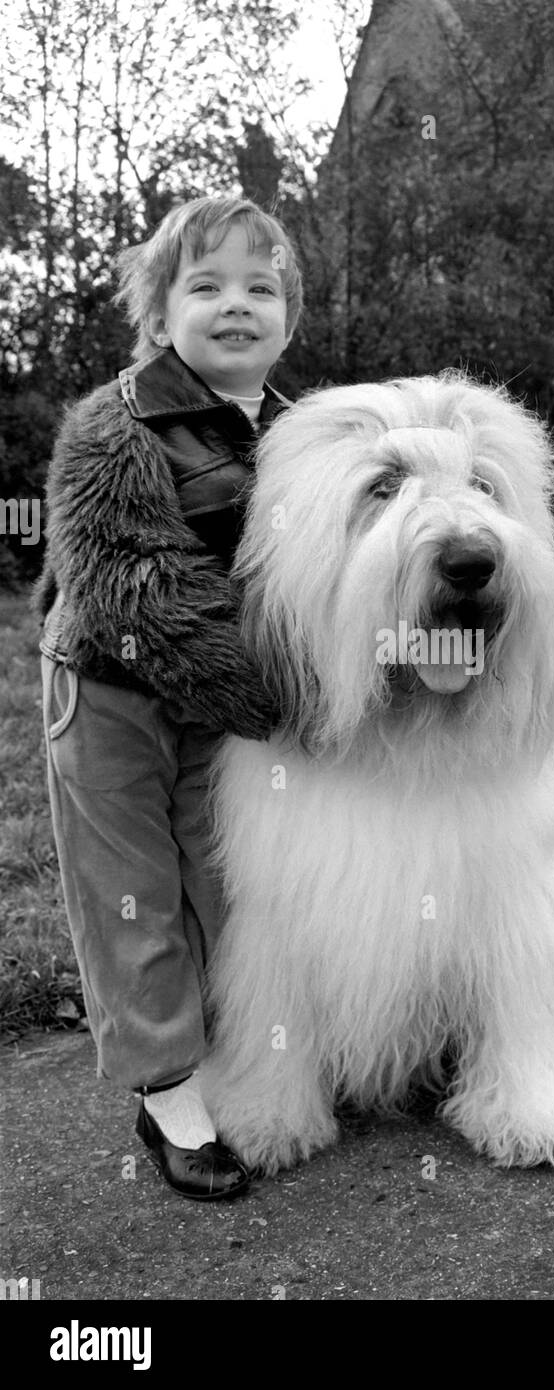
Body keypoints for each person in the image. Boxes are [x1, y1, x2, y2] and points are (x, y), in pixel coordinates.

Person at [31, 195, 303, 1199]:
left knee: (229, 882)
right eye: (207, 285)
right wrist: (299, 696)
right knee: (134, 895)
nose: (236, 305)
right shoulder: (114, 424)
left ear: (287, 314)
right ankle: (169, 1097)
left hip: (218, 702)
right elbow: (141, 592)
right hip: (111, 689)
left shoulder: (300, 429)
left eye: (259, 286)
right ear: (159, 314)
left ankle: (246, 1055)